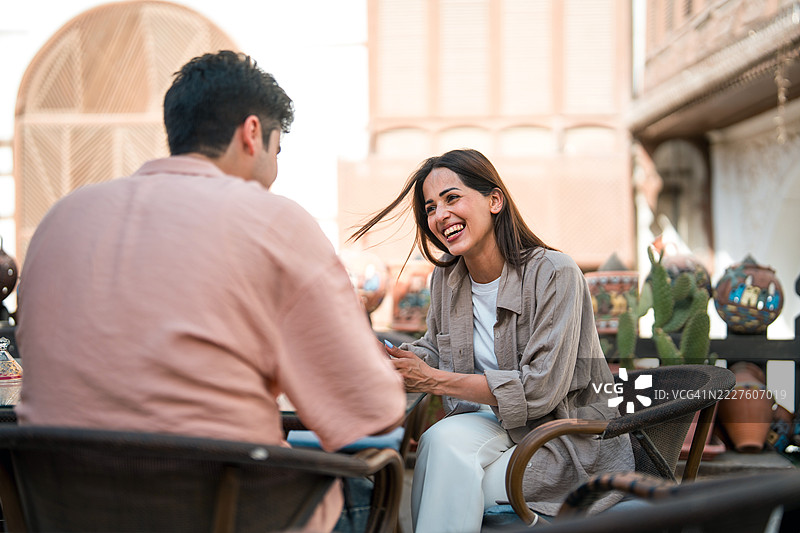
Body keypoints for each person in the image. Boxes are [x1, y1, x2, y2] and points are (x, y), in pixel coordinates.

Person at [15, 50, 405, 532]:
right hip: (224, 512)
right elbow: (372, 411)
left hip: (59, 511)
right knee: (375, 481)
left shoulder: (61, 219)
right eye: (278, 152)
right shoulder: (273, 222)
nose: (275, 171)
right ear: (253, 134)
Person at [351, 148, 635, 532]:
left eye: (452, 198)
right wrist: (383, 354)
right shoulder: (447, 280)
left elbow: (540, 390)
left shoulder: (556, 274)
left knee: (445, 470)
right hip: (492, 426)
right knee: (439, 442)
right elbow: (435, 350)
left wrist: (432, 380)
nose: (440, 216)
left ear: (494, 200)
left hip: (561, 439)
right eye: (430, 207)